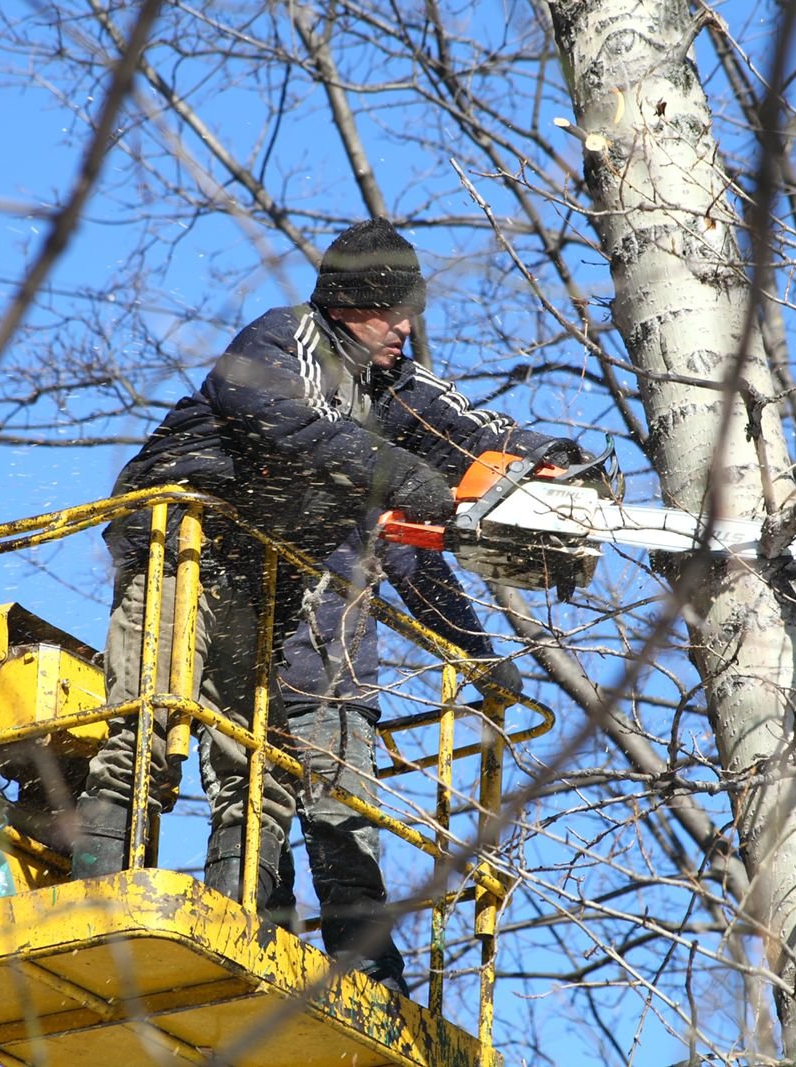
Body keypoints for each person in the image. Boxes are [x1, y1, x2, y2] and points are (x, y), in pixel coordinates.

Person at [70, 217, 578, 914]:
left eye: (409, 313)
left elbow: (467, 433)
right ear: (346, 305)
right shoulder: (284, 339)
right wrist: (402, 473)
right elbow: (296, 424)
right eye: (389, 311)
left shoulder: (394, 386)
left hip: (263, 578)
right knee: (150, 720)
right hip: (182, 539)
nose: (403, 327)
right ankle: (99, 895)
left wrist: (547, 461)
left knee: (259, 767)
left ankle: (241, 917)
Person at [268, 527, 522, 997]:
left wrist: (479, 655)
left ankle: (368, 978)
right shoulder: (255, 477)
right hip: (245, 689)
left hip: (326, 691)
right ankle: (262, 946)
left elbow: (419, 571)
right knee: (254, 829)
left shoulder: (355, 473)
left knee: (342, 837)